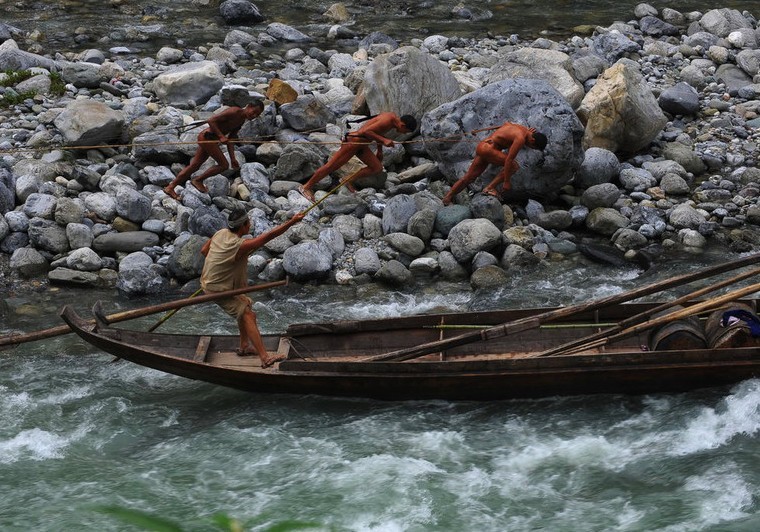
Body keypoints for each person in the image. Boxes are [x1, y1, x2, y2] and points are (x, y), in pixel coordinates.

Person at [200, 206, 305, 368]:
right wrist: (292, 222)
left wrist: (220, 265)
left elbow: (203, 251)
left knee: (247, 307)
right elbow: (268, 236)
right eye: (248, 222)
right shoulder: (239, 245)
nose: (250, 225)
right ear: (244, 226)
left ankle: (244, 346)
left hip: (211, 282)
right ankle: (265, 358)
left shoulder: (220, 233)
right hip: (217, 290)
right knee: (248, 314)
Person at [298, 112, 417, 202]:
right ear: (403, 125)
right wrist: (384, 140)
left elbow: (378, 131)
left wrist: (380, 149)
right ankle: (306, 187)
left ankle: (347, 180)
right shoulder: (387, 120)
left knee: (377, 168)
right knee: (331, 166)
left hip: (362, 145)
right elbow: (365, 131)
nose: (404, 134)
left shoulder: (392, 120)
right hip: (354, 142)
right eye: (405, 131)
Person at [163, 101, 265, 199]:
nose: (254, 115)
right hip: (207, 137)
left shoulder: (241, 121)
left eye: (257, 115)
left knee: (194, 165)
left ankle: (170, 187)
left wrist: (233, 158)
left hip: (211, 140)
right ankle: (198, 180)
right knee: (223, 165)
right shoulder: (235, 111)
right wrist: (221, 136)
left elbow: (231, 139)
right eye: (254, 112)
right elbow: (211, 120)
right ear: (249, 106)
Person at [442, 122, 548, 205]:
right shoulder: (520, 139)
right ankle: (490, 188)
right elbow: (509, 160)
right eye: (533, 147)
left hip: (484, 146)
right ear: (532, 141)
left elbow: (506, 124)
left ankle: (447, 198)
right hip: (489, 150)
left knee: (469, 178)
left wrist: (480, 130)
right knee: (514, 166)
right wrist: (506, 181)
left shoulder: (521, 129)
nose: (530, 147)